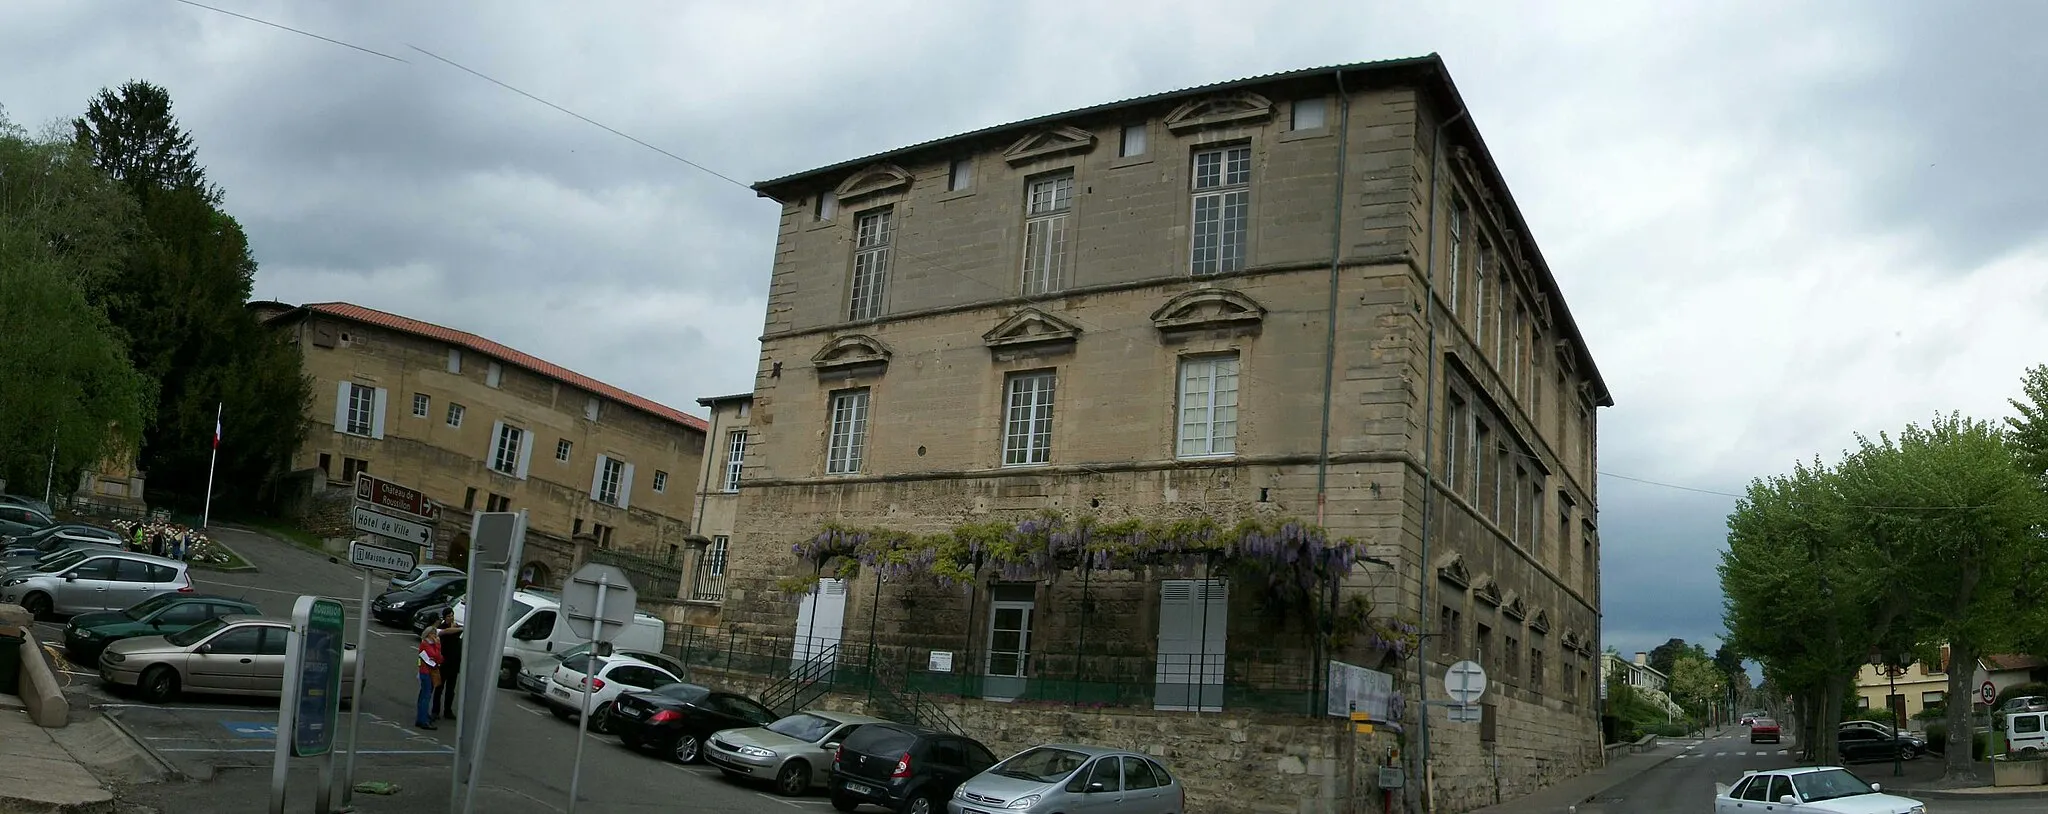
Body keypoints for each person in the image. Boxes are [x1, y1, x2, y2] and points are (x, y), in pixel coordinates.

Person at [432, 608, 465, 721]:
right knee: (439, 688)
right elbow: (447, 631)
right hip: (443, 664)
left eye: (452, 615)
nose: (451, 617)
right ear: (444, 617)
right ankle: (435, 711)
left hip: (454, 664)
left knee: (451, 690)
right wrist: (460, 628)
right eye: (449, 616)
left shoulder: (455, 627)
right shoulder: (442, 629)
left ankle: (448, 710)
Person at [416, 628, 443, 730]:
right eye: (433, 634)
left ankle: (422, 718)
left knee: (426, 695)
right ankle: (423, 720)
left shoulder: (431, 644)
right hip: (426, 672)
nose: (435, 636)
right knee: (426, 696)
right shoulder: (425, 644)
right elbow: (434, 655)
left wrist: (436, 654)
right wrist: (438, 645)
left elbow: (440, 658)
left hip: (431, 671)